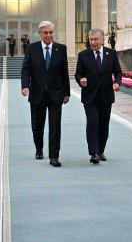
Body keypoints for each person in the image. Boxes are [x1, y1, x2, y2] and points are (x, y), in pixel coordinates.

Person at [20, 21, 70, 167]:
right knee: (37, 124)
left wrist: (66, 93)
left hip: (56, 93)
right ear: (40, 34)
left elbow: (64, 72)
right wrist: (25, 86)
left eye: (51, 32)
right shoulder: (32, 48)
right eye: (46, 33)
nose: (49, 35)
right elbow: (26, 69)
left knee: (55, 126)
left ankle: (54, 156)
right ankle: (39, 148)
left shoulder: (61, 49)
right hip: (37, 93)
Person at [75, 28, 123, 164]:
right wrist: (81, 80)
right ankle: (93, 152)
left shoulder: (111, 53)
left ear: (102, 39)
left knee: (103, 124)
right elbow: (78, 73)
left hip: (106, 95)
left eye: (96, 39)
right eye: (91, 39)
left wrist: (117, 83)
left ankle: (101, 150)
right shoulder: (83, 55)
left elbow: (118, 72)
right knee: (92, 122)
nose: (93, 42)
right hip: (89, 96)